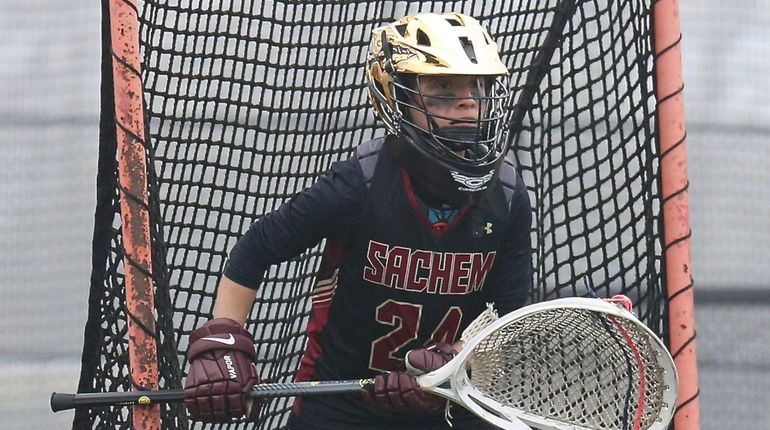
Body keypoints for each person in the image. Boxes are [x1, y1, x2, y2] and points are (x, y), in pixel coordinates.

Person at [183, 11, 533, 430]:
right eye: (441, 90)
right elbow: (256, 248)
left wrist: (453, 361)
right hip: (342, 400)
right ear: (398, 97)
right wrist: (223, 337)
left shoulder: (507, 195)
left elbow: (511, 318)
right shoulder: (361, 184)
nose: (465, 104)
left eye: (475, 89)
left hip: (451, 401)